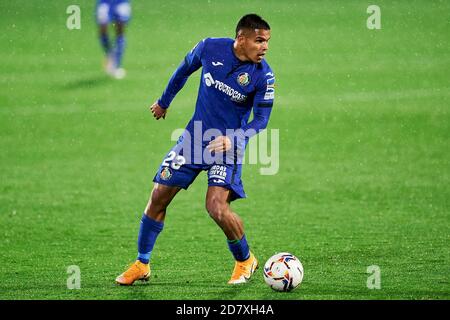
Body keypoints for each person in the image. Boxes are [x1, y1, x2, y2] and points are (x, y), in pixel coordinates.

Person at [116, 14, 275, 285]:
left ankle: (245, 259)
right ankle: (142, 263)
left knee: (216, 207)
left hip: (226, 147)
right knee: (158, 196)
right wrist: (164, 102)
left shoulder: (264, 76)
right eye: (259, 41)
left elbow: (260, 121)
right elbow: (183, 70)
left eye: (267, 42)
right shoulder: (209, 47)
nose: (265, 47)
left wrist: (234, 138)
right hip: (193, 139)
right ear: (241, 38)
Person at [95, 0, 131, 79]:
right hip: (105, 2)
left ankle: (117, 65)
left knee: (120, 30)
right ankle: (110, 55)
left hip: (121, 2)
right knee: (103, 29)